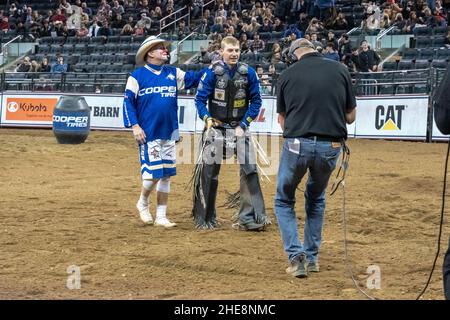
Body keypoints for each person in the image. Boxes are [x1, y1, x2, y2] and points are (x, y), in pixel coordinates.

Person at [275, 39, 356, 278]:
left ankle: (296, 257)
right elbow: (350, 116)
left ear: (293, 55)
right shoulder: (340, 69)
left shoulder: (287, 75)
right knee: (316, 197)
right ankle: (311, 258)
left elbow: (282, 121)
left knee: (283, 200)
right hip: (330, 145)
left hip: (297, 145)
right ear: (315, 50)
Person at [123, 36, 204, 228]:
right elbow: (128, 102)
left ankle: (161, 216)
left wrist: (212, 70)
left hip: (169, 131)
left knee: (166, 174)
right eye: (160, 48)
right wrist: (134, 126)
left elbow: (192, 79)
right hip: (148, 132)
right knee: (153, 174)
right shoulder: (137, 76)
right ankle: (143, 201)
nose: (165, 51)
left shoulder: (172, 72)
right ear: (150, 53)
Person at [192, 36, 269, 231]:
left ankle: (250, 217)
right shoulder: (211, 73)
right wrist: (207, 118)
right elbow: (200, 100)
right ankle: (205, 217)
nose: (234, 54)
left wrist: (244, 125)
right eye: (230, 50)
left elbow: (257, 102)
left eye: (236, 50)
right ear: (222, 52)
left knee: (250, 170)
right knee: (209, 173)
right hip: (215, 128)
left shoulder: (249, 73)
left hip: (240, 128)